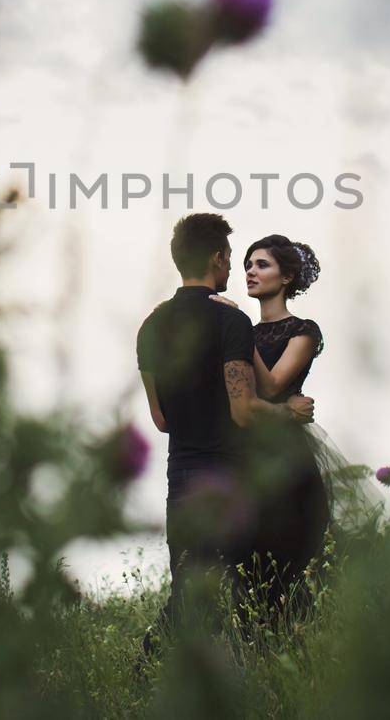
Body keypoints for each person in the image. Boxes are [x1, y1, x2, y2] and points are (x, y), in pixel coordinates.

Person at [136, 213, 314, 659]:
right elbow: (244, 410)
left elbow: (160, 419)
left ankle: (148, 669)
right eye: (233, 258)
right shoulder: (228, 321)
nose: (236, 269)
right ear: (217, 258)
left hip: (181, 475)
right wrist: (287, 412)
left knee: (188, 589)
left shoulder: (151, 327)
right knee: (248, 586)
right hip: (229, 476)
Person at [213, 234, 385, 624]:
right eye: (247, 265)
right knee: (247, 563)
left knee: (291, 558)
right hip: (244, 451)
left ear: (287, 276)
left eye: (262, 265)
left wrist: (237, 327)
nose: (250, 272)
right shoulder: (243, 333)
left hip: (287, 455)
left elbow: (273, 386)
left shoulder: (304, 331)